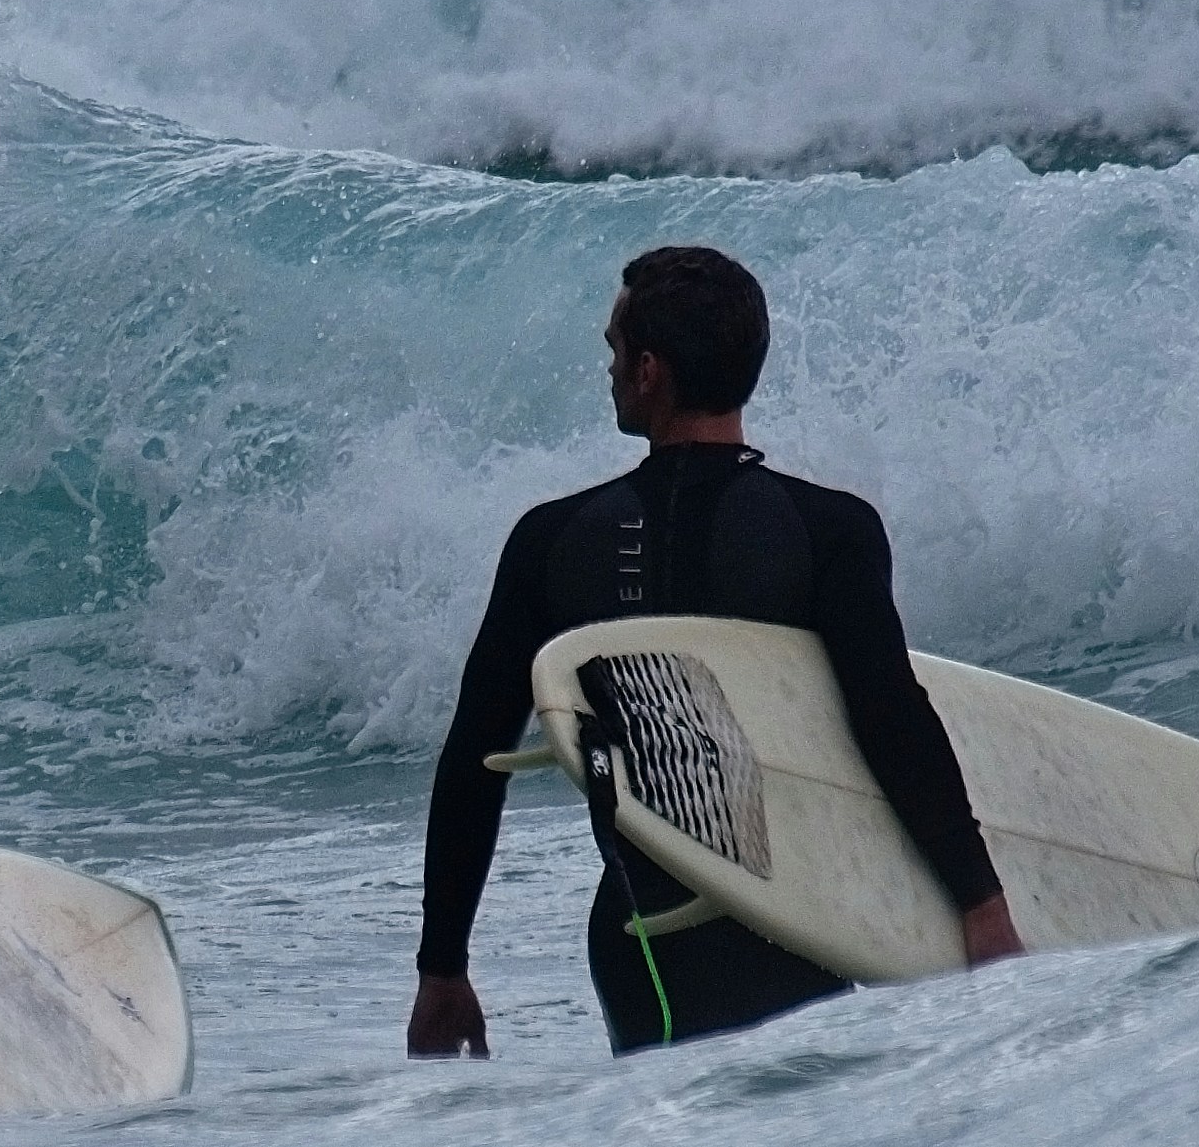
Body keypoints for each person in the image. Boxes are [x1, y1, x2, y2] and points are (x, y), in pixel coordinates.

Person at [408, 246, 1019, 1058]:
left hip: (644, 935)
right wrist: (980, 903)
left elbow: (475, 760)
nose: (610, 369)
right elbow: (891, 723)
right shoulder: (826, 531)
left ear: (649, 370)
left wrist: (442, 967)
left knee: (675, 1134)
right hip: (801, 925)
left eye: (615, 350)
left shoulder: (553, 541)